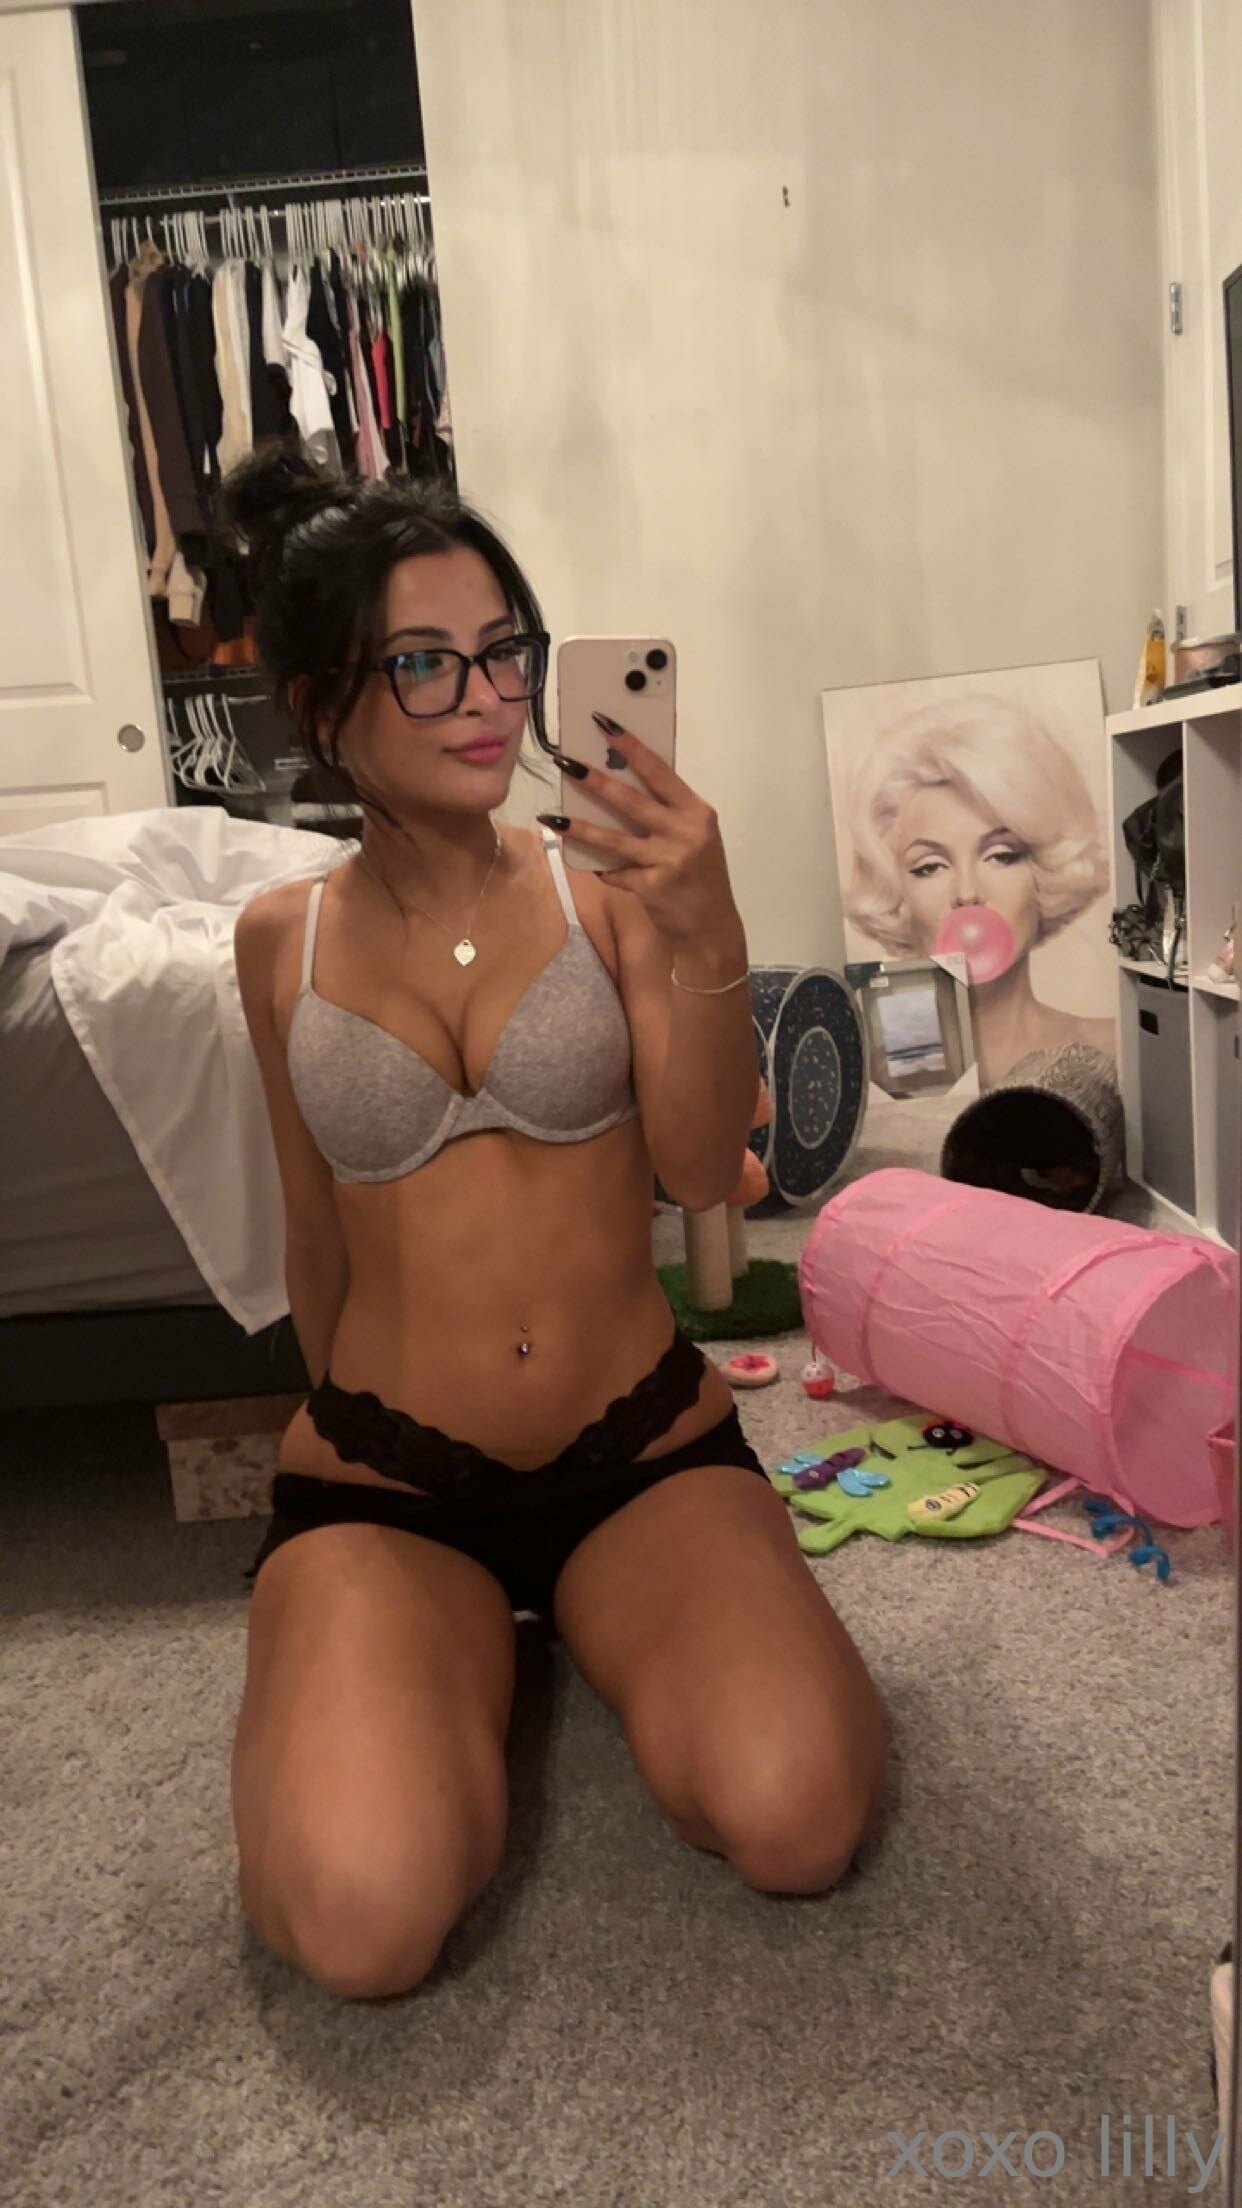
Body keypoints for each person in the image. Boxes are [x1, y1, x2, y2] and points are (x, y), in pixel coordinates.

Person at [225, 449, 886, 2001]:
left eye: (503, 651)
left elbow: (694, 1164)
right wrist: (339, 1475)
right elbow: (314, 1232)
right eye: (424, 662)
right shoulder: (276, 942)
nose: (486, 699)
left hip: (634, 1446)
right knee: (363, 1925)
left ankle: (549, 1623)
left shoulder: (607, 889)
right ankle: (433, 1644)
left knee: (797, 1819)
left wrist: (706, 923)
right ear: (322, 705)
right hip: (391, 1477)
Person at [841, 694, 1114, 1089]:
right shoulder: (865, 1074)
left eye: (1001, 856)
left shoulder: (1111, 1051)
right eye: (929, 866)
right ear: (897, 893)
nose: (967, 892)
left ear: (1045, 870)